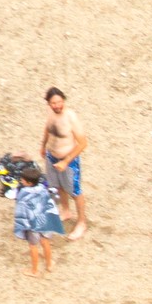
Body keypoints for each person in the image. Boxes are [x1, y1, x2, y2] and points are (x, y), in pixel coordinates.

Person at [39, 87, 90, 239]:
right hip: (52, 156)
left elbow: (82, 143)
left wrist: (66, 161)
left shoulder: (70, 118)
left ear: (64, 100)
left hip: (69, 160)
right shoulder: (51, 114)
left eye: (59, 102)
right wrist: (43, 145)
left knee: (75, 191)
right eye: (53, 103)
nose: (57, 105)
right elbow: (47, 129)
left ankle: (82, 222)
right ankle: (66, 211)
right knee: (58, 185)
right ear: (48, 103)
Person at [11, 173, 63, 275]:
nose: (21, 181)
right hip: (44, 220)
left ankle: (34, 271)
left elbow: (21, 210)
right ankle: (49, 264)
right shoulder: (43, 189)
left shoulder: (24, 193)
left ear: (29, 183)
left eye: (23, 180)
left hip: (32, 224)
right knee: (45, 241)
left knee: (33, 246)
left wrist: (22, 224)